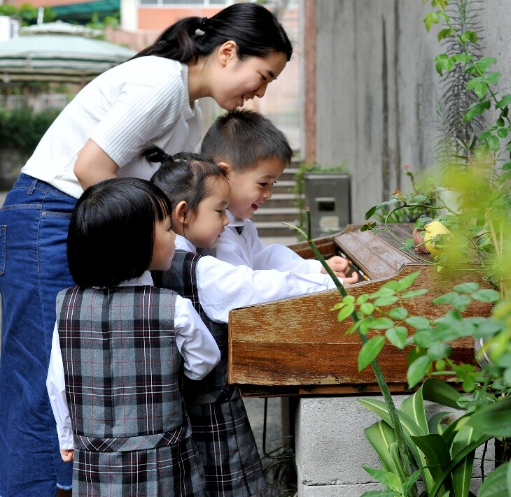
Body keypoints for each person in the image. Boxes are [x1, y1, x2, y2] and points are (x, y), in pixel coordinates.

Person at [0, 4, 292, 493]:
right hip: (51, 217)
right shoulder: (162, 83)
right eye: (262, 76)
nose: (259, 93)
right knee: (41, 382)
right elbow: (92, 169)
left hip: (89, 223)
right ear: (227, 53)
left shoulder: (192, 109)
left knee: (81, 384)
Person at [147, 145, 342, 495]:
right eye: (220, 211)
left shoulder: (177, 255)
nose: (227, 221)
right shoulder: (197, 266)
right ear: (183, 213)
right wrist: (328, 283)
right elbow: (251, 288)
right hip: (208, 404)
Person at [45, 177, 221, 496]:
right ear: (136, 242)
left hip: (96, 458)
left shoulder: (68, 306)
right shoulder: (172, 307)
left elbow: (57, 381)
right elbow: (205, 361)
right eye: (167, 229)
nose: (174, 236)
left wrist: (67, 437)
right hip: (162, 458)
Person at [199, 109, 358, 283]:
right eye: (263, 183)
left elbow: (264, 261)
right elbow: (251, 285)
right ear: (224, 173)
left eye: (272, 184)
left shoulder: (242, 226)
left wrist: (317, 269)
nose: (268, 194)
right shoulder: (215, 234)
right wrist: (321, 284)